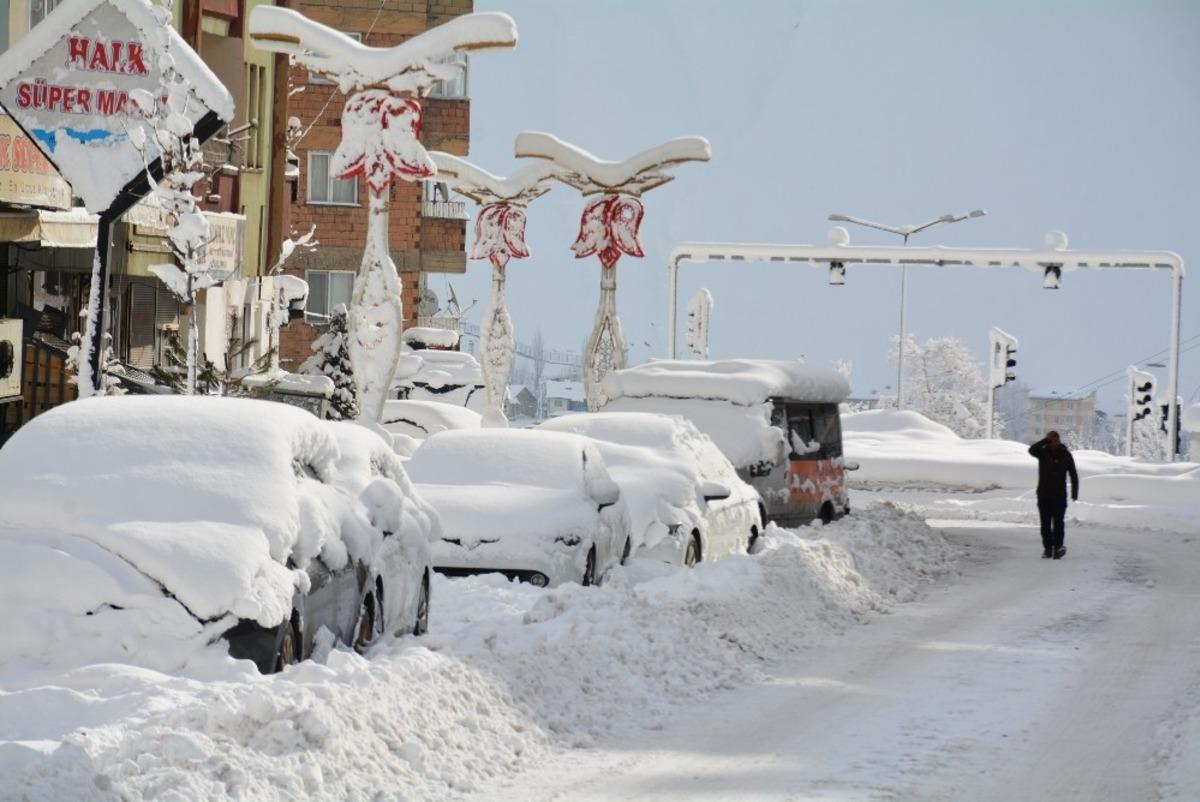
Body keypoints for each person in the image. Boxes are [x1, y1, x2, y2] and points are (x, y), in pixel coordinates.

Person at [1028, 431, 1080, 560]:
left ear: (1059, 440)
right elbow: (1031, 450)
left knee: (1058, 523)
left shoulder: (1066, 455)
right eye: (1051, 441)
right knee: (1045, 524)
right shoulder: (1042, 453)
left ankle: (1058, 547)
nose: (1054, 443)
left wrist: (1074, 492)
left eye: (1055, 440)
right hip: (1044, 495)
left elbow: (1073, 474)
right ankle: (1047, 549)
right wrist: (1045, 441)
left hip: (1059, 495)